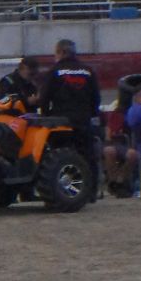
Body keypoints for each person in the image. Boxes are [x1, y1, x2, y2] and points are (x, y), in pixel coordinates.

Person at [39, 38, 103, 196]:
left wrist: (47, 116)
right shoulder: (88, 71)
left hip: (61, 123)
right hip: (83, 121)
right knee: (87, 156)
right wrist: (91, 114)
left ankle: (63, 192)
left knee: (59, 159)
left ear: (61, 52)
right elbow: (96, 98)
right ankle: (91, 192)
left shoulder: (54, 71)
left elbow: (44, 98)